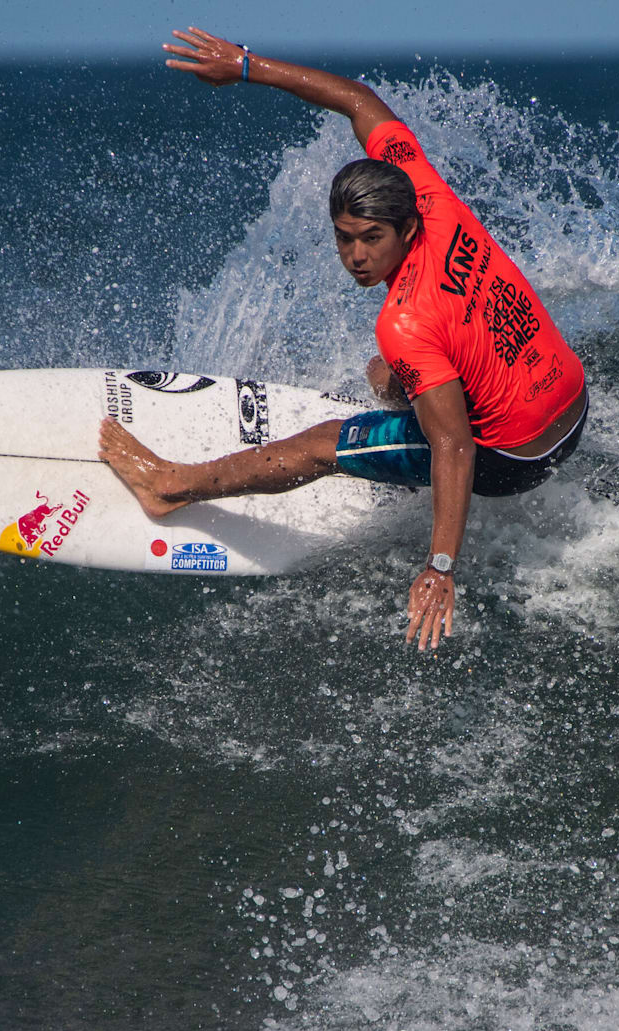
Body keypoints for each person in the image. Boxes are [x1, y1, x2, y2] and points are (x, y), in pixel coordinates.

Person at [98, 26, 588, 651]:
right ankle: (405, 396)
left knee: (327, 442)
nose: (355, 257)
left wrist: (441, 568)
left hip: (514, 458)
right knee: (385, 375)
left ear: (406, 228)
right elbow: (360, 101)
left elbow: (458, 449)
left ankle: (171, 486)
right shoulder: (430, 195)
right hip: (572, 406)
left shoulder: (406, 320)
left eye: (371, 239)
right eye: (343, 237)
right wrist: (246, 66)